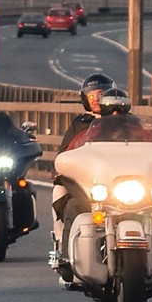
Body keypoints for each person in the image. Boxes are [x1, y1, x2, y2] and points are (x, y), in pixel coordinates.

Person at [50, 72, 115, 280]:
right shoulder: (80, 124)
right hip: (91, 185)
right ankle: (66, 257)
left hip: (122, 183)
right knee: (69, 203)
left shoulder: (128, 123)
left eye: (102, 93)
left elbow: (148, 145)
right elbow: (64, 155)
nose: (96, 98)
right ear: (84, 98)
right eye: (92, 94)